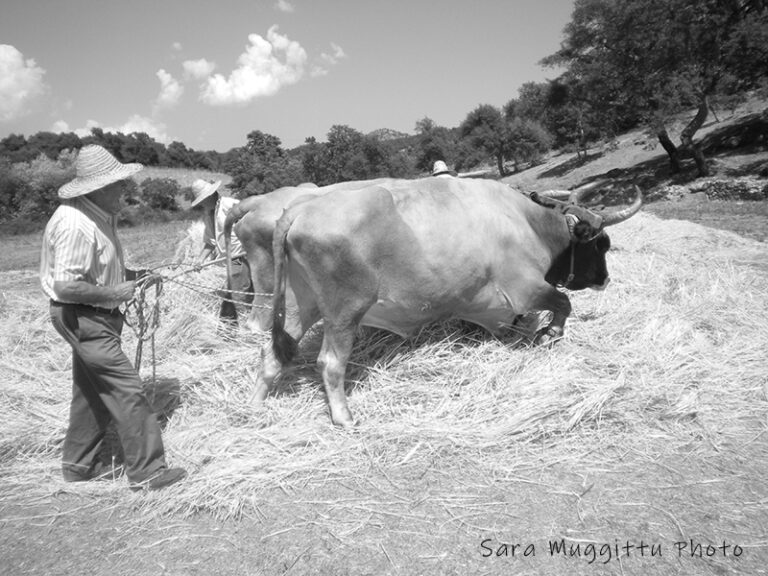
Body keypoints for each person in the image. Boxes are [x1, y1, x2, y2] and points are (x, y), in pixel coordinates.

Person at [40, 144, 186, 491]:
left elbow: (98, 270)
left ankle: (78, 466)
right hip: (84, 317)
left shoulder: (97, 216)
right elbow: (67, 286)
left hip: (92, 315)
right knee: (128, 390)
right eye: (119, 183)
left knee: (90, 393)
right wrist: (114, 293)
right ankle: (148, 471)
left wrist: (134, 275)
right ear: (100, 187)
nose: (125, 188)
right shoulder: (76, 224)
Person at [190, 179, 253, 323]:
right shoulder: (208, 215)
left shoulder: (231, 205)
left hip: (239, 256)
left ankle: (245, 324)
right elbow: (210, 242)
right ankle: (244, 320)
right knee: (234, 289)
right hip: (227, 261)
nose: (201, 204)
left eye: (203, 200)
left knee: (237, 291)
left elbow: (251, 222)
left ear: (210, 196)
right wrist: (200, 260)